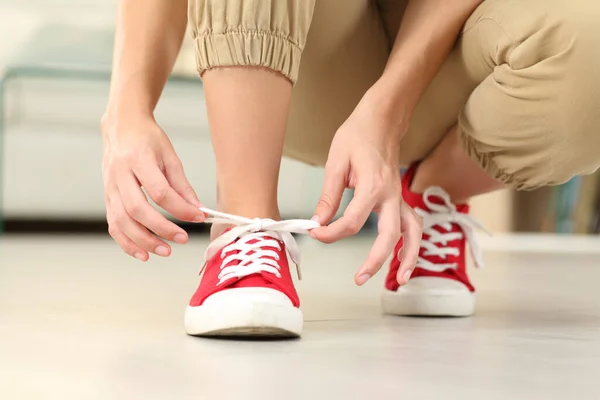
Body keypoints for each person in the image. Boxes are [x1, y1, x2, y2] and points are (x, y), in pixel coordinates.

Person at [101, 0, 600, 337]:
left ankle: (431, 196)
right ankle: (247, 224)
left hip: (447, 56)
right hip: (293, 60)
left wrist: (387, 109)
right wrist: (125, 111)